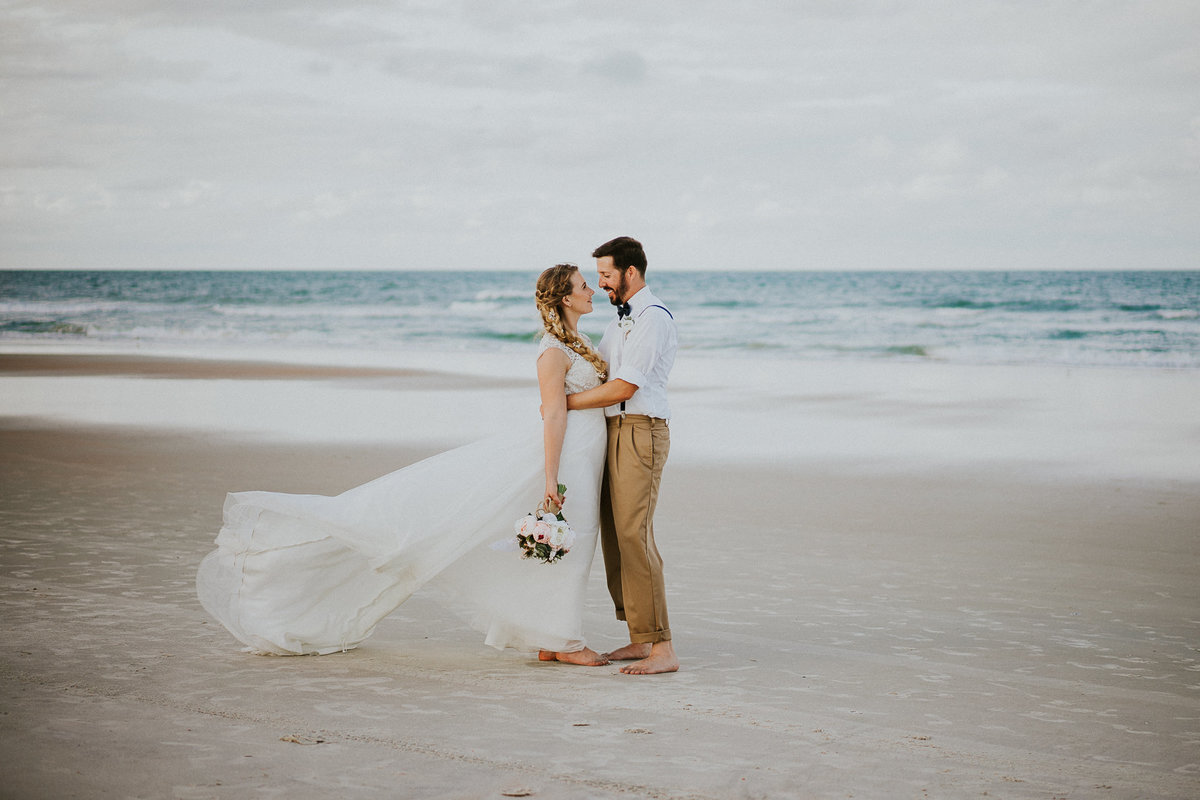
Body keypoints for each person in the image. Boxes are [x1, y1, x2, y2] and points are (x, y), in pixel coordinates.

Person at [195, 264, 609, 666]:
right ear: (563, 297)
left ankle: (550, 637)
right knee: (568, 544)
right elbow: (553, 415)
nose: (591, 291)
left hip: (582, 455)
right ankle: (563, 642)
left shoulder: (577, 340)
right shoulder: (552, 351)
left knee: (564, 547)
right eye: (583, 285)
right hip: (565, 458)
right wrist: (551, 476)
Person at [565, 236, 680, 675]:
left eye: (607, 275)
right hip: (612, 430)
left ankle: (663, 649)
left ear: (630, 272)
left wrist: (565, 405)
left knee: (635, 534)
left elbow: (625, 387)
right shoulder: (618, 322)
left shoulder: (652, 318)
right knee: (615, 534)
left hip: (641, 432)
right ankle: (639, 636)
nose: (602, 284)